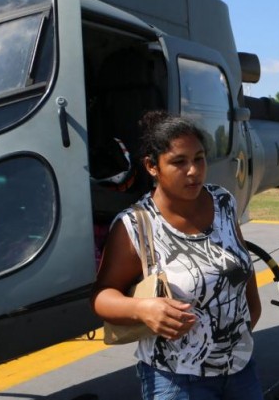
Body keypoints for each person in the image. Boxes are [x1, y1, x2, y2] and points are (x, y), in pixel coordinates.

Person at [91, 111, 263, 400]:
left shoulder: (223, 202)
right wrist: (143, 309)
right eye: (179, 162)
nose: (194, 171)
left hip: (240, 369)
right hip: (177, 380)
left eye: (199, 159)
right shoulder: (135, 225)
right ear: (152, 166)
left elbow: (241, 261)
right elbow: (101, 296)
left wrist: (249, 320)